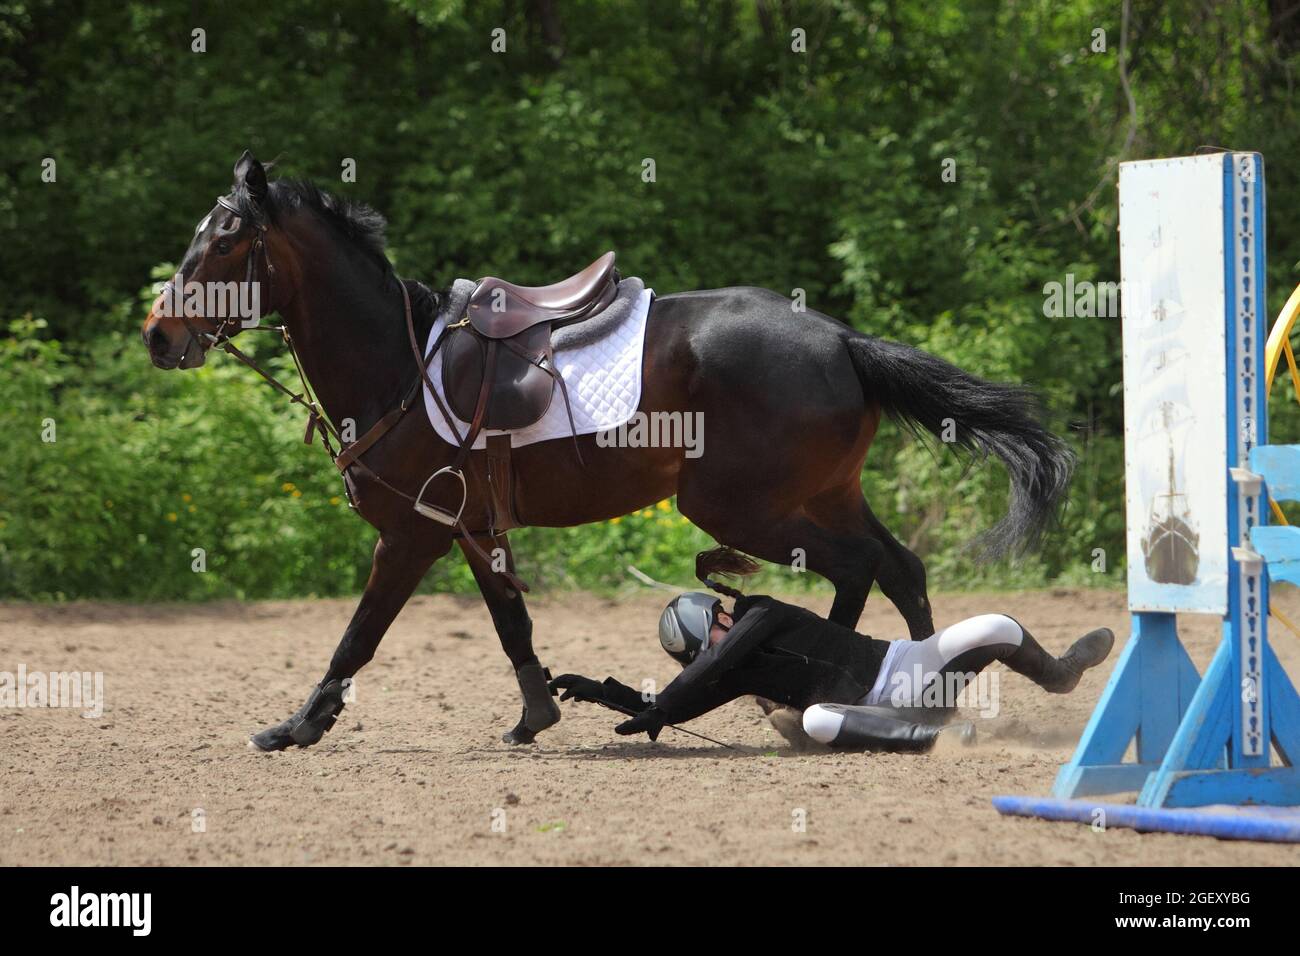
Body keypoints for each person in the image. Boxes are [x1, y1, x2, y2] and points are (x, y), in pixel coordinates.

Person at [549, 548, 1114, 752]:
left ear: (720, 616)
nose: (704, 661)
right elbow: (665, 710)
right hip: (878, 715)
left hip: (907, 670)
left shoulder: (760, 612)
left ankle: (1062, 673)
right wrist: (604, 692)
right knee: (818, 720)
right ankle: (939, 741)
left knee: (997, 624)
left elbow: (694, 682)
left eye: (703, 648)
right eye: (692, 660)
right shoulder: (731, 671)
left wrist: (665, 706)